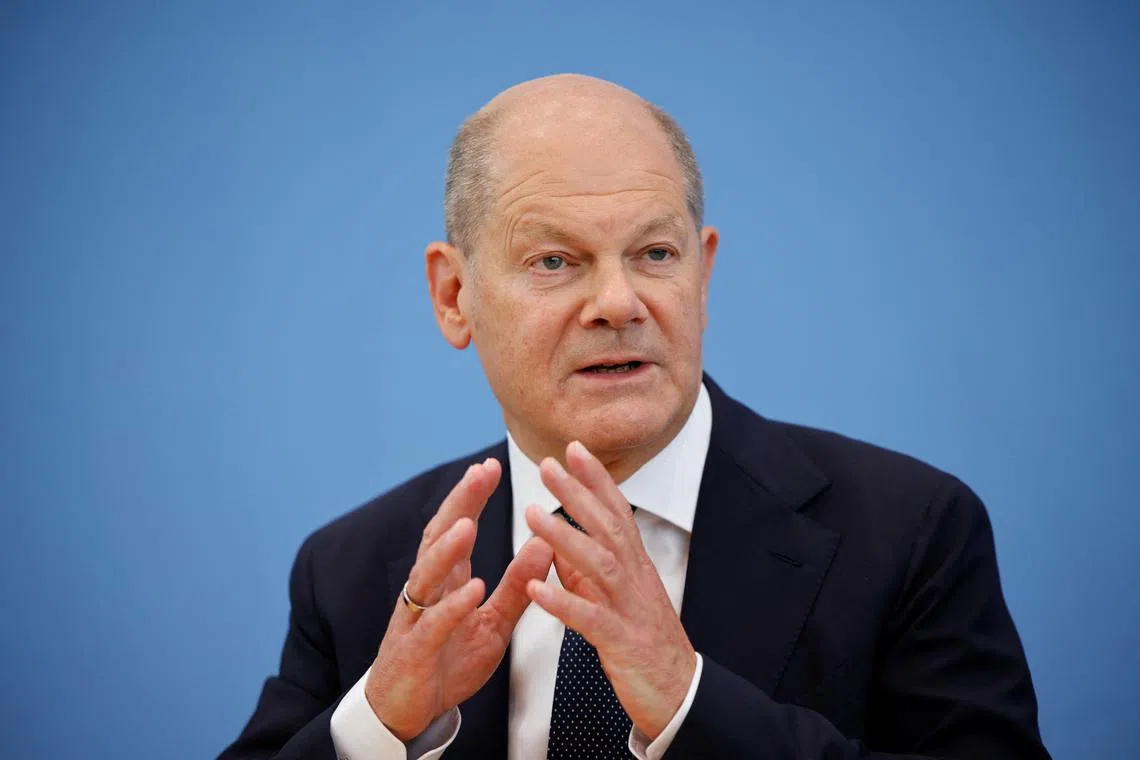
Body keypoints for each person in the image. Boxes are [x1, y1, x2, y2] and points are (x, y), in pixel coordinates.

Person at [218, 74, 1051, 760]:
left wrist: (690, 703)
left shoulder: (908, 532)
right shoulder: (355, 572)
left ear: (703, 275)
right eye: (555, 260)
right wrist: (379, 728)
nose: (618, 303)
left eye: (655, 254)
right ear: (453, 294)